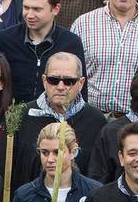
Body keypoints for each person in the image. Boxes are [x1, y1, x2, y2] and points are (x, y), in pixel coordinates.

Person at [10, 52, 109, 190]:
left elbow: (100, 174)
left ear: (80, 83)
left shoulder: (96, 120)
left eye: (68, 81)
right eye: (53, 80)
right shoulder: (21, 115)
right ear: (44, 81)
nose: (61, 87)